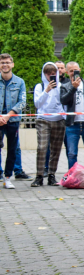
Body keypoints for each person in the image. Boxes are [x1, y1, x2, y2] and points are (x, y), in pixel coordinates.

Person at [31, 62, 66, 187]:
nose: (50, 76)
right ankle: (39, 176)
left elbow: (64, 102)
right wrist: (47, 90)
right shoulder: (39, 87)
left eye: (53, 74)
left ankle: (52, 175)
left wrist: (64, 116)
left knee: (56, 149)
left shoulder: (61, 86)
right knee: (42, 147)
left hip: (58, 119)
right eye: (48, 74)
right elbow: (37, 104)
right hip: (43, 119)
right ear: (44, 74)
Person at [0, 54, 26, 189]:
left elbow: (22, 102)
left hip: (13, 120)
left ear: (12, 64)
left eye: (7, 62)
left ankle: (8, 177)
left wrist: (7, 116)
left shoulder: (20, 82)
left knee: (12, 150)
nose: (5, 65)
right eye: (2, 62)